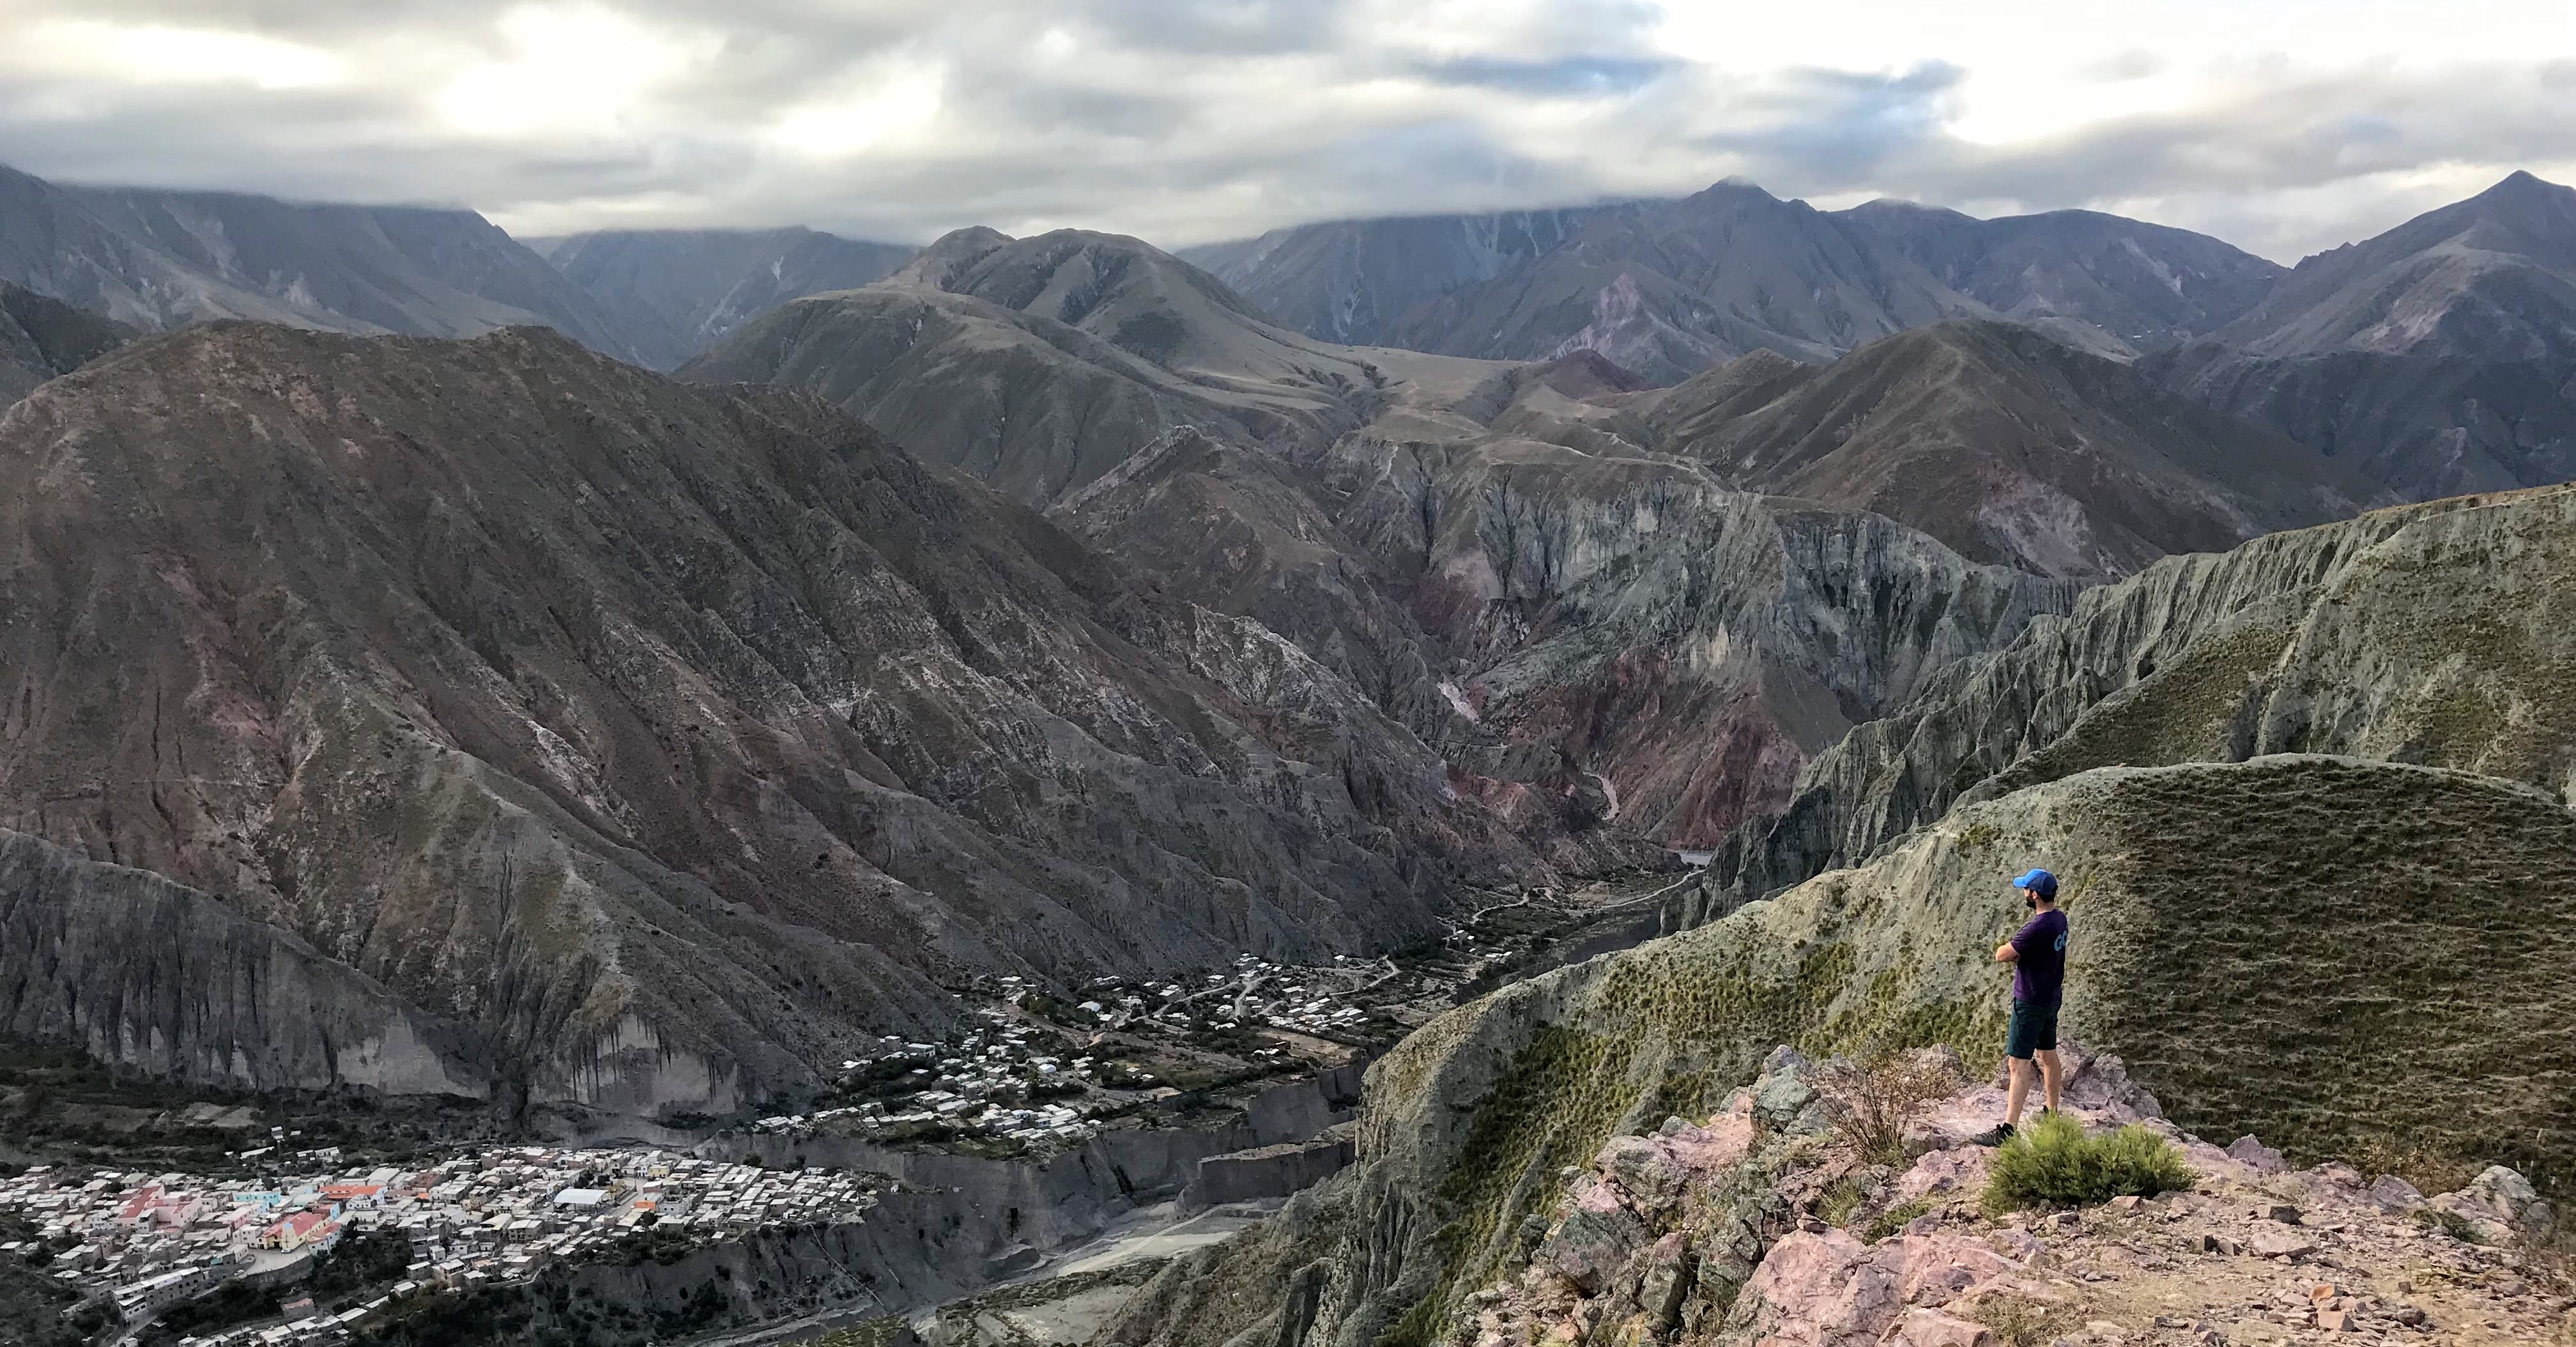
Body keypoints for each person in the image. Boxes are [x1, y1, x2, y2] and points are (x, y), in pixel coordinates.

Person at [1977, 868, 2068, 1146]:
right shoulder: (2060, 919)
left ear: (2035, 894)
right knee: (2048, 1055)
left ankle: (2008, 1130)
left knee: (2018, 1062)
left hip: (2029, 1002)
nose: (2024, 893)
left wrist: (2011, 946)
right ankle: (2052, 1112)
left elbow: (2002, 954)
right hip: (2051, 998)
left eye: (2026, 889)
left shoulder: (2036, 928)